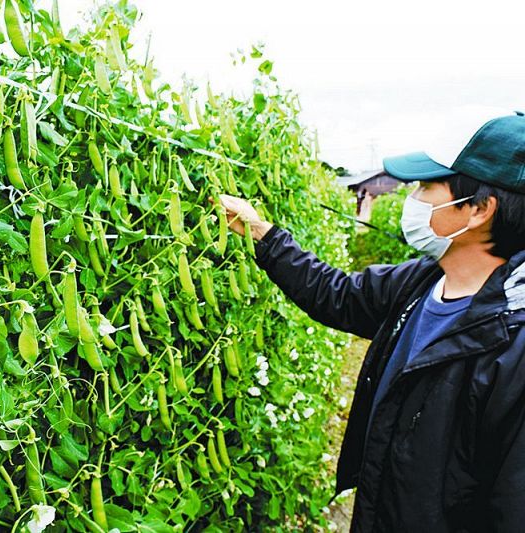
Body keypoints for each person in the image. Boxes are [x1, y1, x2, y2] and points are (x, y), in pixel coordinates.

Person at [218, 110, 525, 532]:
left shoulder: (515, 343)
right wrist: (263, 234)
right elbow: (337, 295)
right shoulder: (422, 282)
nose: (412, 199)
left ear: (479, 210)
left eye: (427, 187)